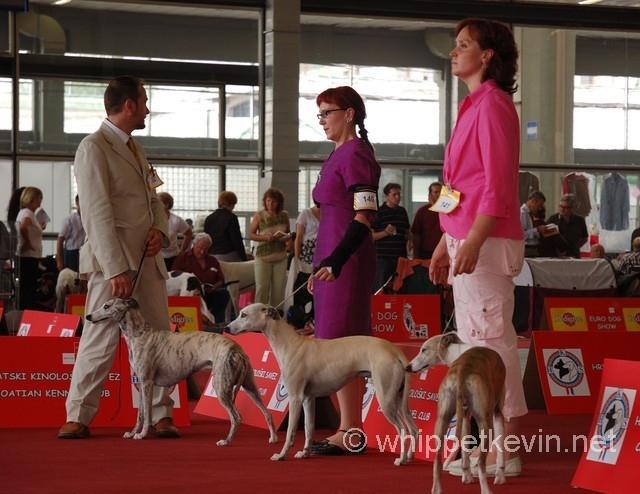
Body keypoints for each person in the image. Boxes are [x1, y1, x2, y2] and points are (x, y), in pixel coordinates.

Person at [428, 19, 526, 476]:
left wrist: (471, 238)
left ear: (487, 55)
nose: (453, 51)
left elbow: (499, 186)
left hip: (486, 238)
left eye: (463, 45)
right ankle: (481, 441)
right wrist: (447, 239)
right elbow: (457, 182)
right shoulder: (472, 105)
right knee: (474, 342)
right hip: (467, 235)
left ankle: (505, 448)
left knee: (491, 344)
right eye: (455, 44)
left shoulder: (494, 106)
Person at [59, 76, 177, 440]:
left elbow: (154, 199)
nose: (146, 108)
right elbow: (95, 213)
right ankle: (78, 414)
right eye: (143, 101)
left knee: (158, 339)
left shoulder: (135, 148)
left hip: (148, 261)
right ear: (129, 105)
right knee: (100, 337)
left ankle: (159, 413)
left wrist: (159, 230)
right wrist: (114, 269)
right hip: (115, 265)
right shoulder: (93, 147)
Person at [309, 86, 380, 456]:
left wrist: (336, 260)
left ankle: (350, 429)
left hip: (347, 261)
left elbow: (365, 214)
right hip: (330, 259)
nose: (321, 120)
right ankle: (349, 428)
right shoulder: (335, 153)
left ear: (349, 114)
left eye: (327, 113)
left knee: (342, 344)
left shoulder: (356, 154)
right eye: (318, 114)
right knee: (333, 344)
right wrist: (320, 263)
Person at [172, 233, 231, 323]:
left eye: (206, 249)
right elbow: (174, 279)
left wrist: (214, 287)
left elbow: (221, 280)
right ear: (194, 244)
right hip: (190, 295)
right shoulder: (182, 259)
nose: (202, 252)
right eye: (200, 248)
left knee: (223, 293)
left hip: (208, 293)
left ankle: (217, 325)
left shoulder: (213, 261)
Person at [248, 187, 290, 307]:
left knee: (278, 290)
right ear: (265, 201)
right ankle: (258, 317)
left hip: (280, 256)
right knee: (262, 289)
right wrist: (265, 238)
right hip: (263, 257)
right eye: (268, 201)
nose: (270, 204)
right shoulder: (259, 215)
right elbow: (251, 234)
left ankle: (275, 317)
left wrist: (286, 238)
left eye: (273, 201)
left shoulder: (284, 215)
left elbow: (288, 232)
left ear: (279, 202)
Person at [371, 182, 411, 292]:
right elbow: (372, 236)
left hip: (400, 256)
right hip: (384, 257)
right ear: (387, 196)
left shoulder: (402, 211)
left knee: (401, 286)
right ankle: (377, 308)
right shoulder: (379, 212)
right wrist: (385, 232)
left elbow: (407, 231)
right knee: (381, 286)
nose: (397, 197)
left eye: (399, 194)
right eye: (394, 194)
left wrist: (410, 240)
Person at [15, 186, 44, 310]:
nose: (40, 200)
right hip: (29, 257)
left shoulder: (25, 213)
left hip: (28, 256)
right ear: (30, 198)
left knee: (26, 290)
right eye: (38, 197)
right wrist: (27, 243)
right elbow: (23, 227)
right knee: (28, 291)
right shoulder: (28, 213)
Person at [203, 191, 248, 262]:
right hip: (228, 254)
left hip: (212, 255)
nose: (234, 207)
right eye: (234, 204)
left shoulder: (209, 218)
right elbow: (236, 240)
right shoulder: (231, 218)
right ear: (231, 203)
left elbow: (206, 238)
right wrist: (244, 258)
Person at [546, 193, 589, 259]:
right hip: (557, 255)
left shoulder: (579, 220)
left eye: (566, 207)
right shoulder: (553, 219)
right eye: (561, 206)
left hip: (574, 255)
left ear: (572, 208)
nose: (562, 209)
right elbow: (546, 237)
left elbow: (585, 238)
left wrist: (575, 247)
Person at [158, 191, 192, 271]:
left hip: (173, 257)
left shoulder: (176, 220)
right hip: (157, 258)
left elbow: (189, 234)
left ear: (166, 205)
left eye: (158, 202)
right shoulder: (152, 219)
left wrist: (182, 250)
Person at [411, 182, 443, 260]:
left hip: (444, 251)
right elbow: (416, 234)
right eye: (436, 192)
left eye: (441, 192)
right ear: (430, 194)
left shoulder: (448, 211)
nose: (439, 194)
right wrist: (415, 254)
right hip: (426, 252)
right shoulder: (422, 211)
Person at [56, 195, 85, 273]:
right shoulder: (69, 220)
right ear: (77, 204)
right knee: (72, 278)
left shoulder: (89, 219)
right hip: (72, 254)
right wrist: (59, 260)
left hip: (84, 252)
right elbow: (60, 240)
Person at [520, 190, 547, 257]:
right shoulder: (522, 213)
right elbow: (521, 234)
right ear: (533, 201)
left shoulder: (529, 214)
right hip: (527, 249)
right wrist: (537, 230)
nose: (540, 209)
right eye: (539, 205)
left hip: (533, 249)